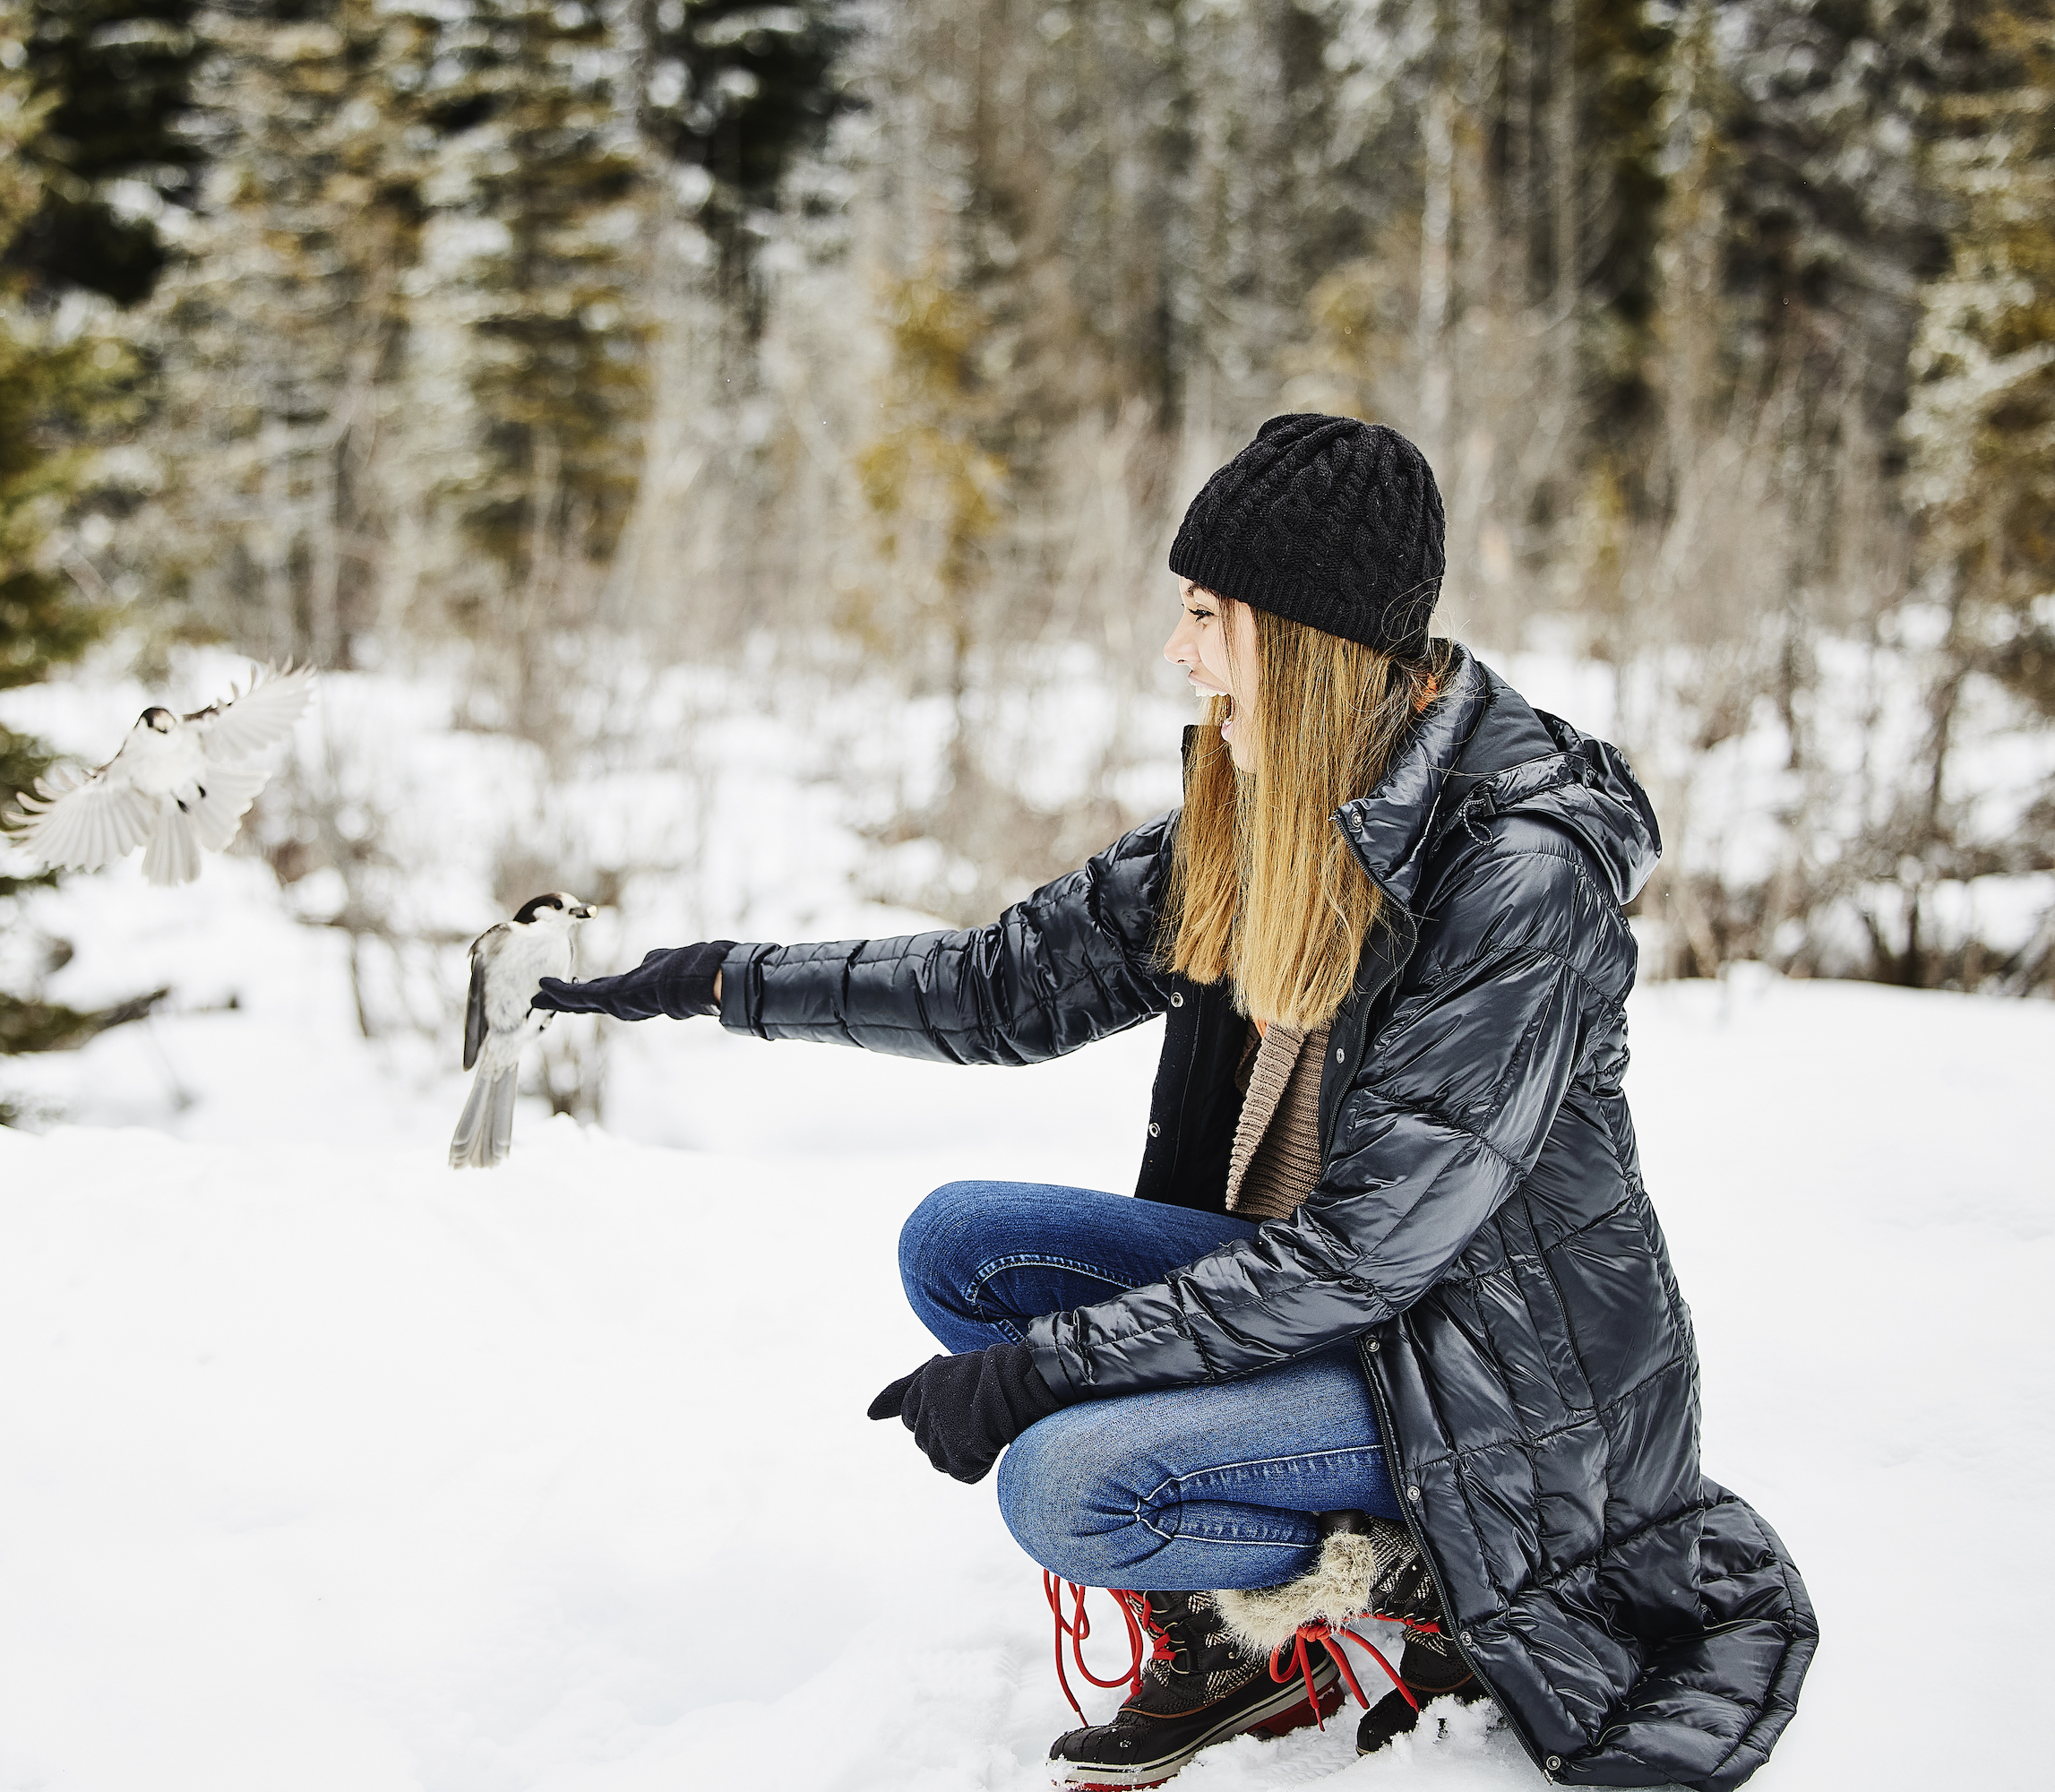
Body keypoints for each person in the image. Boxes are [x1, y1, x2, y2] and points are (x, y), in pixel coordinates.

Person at [536, 416, 1815, 1789]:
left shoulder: (1516, 874)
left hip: (1487, 1396)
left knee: (1069, 1482)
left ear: (1307, 639)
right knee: (962, 1240)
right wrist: (719, 980)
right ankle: (1231, 1637)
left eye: (1208, 616)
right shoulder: (1272, 803)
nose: (1179, 650)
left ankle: (1414, 1579)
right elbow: (1004, 986)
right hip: (1327, 1310)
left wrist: (1045, 1369)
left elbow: (1369, 1251)